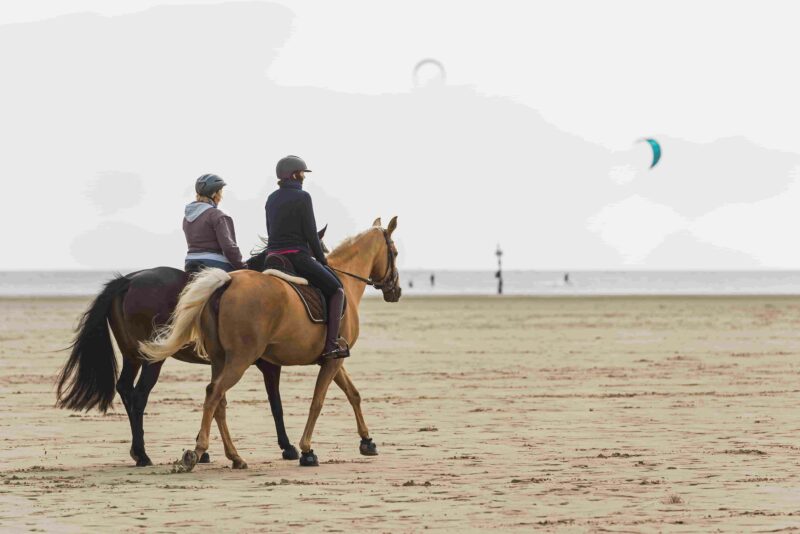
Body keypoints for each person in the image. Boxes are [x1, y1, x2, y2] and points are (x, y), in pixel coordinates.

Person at [265, 156, 348, 359]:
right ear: (294, 175)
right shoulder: (303, 197)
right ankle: (331, 345)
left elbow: (270, 230)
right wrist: (322, 260)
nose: (304, 177)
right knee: (337, 290)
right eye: (302, 173)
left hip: (272, 257)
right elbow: (311, 234)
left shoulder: (271, 198)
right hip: (296, 257)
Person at [183, 173, 247, 274]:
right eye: (220, 192)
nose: (221, 196)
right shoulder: (217, 215)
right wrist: (243, 267)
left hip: (190, 262)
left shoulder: (186, 217)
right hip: (214, 263)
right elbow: (228, 248)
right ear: (214, 194)